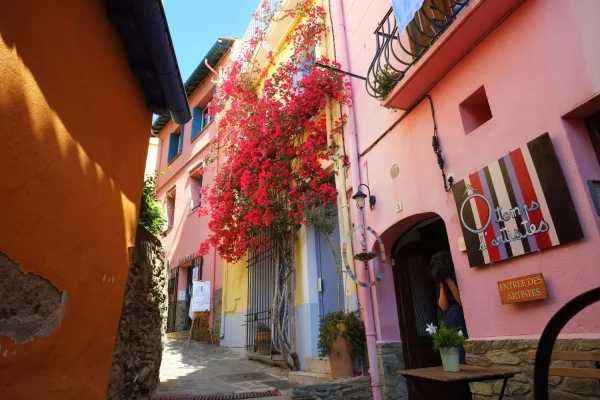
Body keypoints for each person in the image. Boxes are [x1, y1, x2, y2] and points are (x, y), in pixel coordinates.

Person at [429, 251, 468, 363]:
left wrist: (451, 284)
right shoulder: (441, 283)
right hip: (448, 320)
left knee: (461, 353)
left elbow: (463, 303)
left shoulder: (457, 279)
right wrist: (442, 287)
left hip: (459, 318)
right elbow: (443, 306)